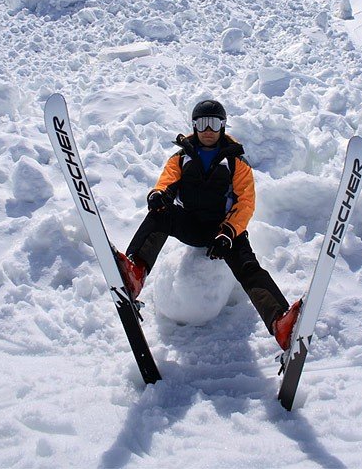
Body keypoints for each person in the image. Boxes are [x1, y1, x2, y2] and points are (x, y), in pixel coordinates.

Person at [115, 99, 302, 351]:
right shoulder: (181, 157)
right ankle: (136, 271)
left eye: (214, 123)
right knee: (159, 215)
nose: (208, 129)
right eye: (202, 123)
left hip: (224, 231)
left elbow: (245, 202)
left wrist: (228, 233)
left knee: (249, 267)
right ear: (194, 125)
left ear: (223, 126)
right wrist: (158, 194)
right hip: (191, 224)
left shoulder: (237, 161)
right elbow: (166, 182)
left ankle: (279, 322)